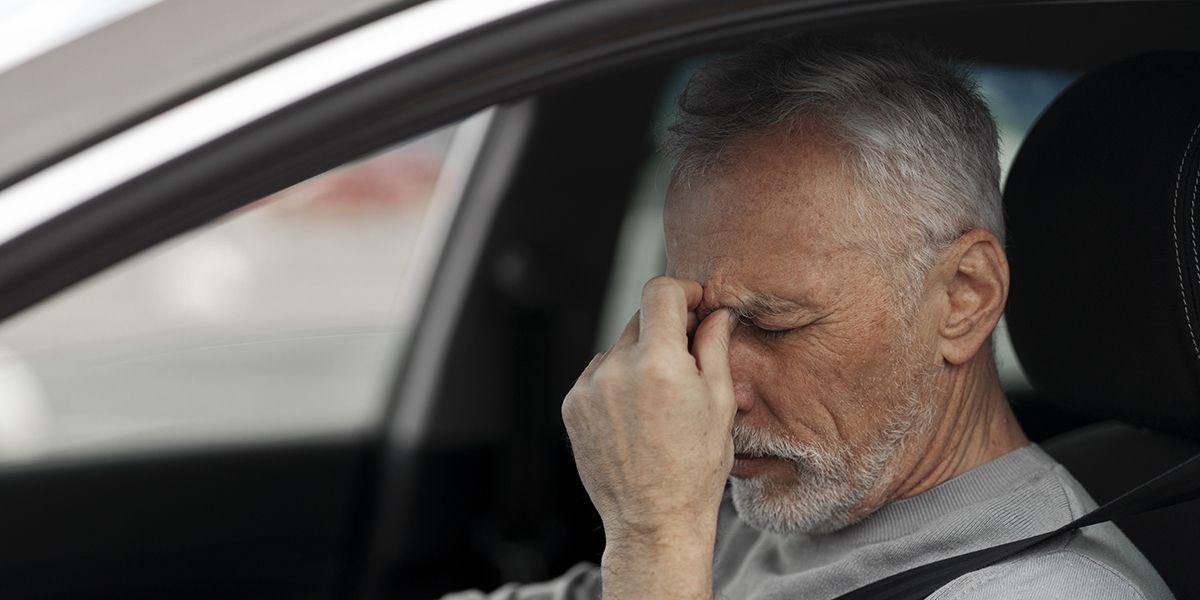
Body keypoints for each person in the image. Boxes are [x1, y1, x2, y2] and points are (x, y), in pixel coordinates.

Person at [449, 36, 1173, 600]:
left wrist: (652, 539)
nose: (719, 389)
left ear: (964, 297)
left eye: (774, 324)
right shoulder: (791, 513)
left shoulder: (1047, 588)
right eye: (699, 320)